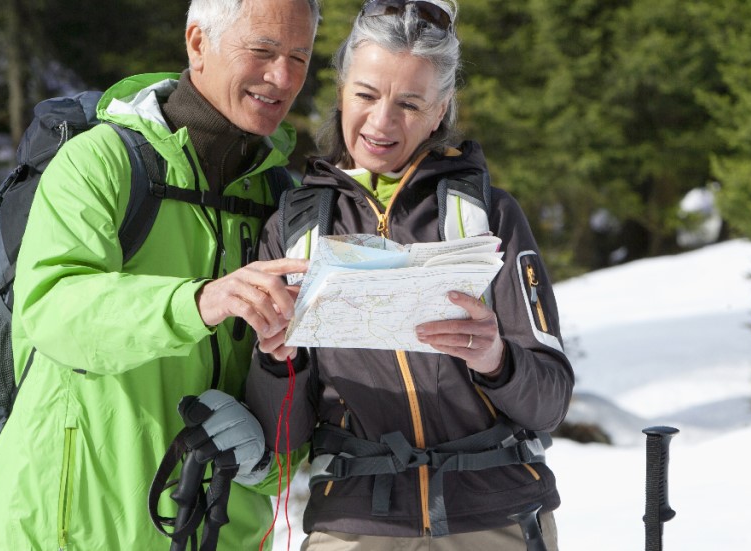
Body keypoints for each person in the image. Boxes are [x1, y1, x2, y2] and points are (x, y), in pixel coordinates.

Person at [0, 0, 320, 548]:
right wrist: (199, 303)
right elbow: (52, 311)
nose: (282, 77)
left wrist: (267, 460)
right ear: (197, 42)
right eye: (262, 51)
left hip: (220, 534)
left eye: (299, 58)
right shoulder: (101, 162)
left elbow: (295, 389)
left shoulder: (281, 199)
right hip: (75, 529)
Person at [244, 1, 574, 549]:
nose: (380, 123)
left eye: (409, 103)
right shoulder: (296, 227)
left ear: (440, 108)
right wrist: (275, 360)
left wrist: (496, 360)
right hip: (355, 523)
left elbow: (551, 401)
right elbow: (285, 438)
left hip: (494, 518)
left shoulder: (488, 217)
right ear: (343, 85)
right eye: (366, 95)